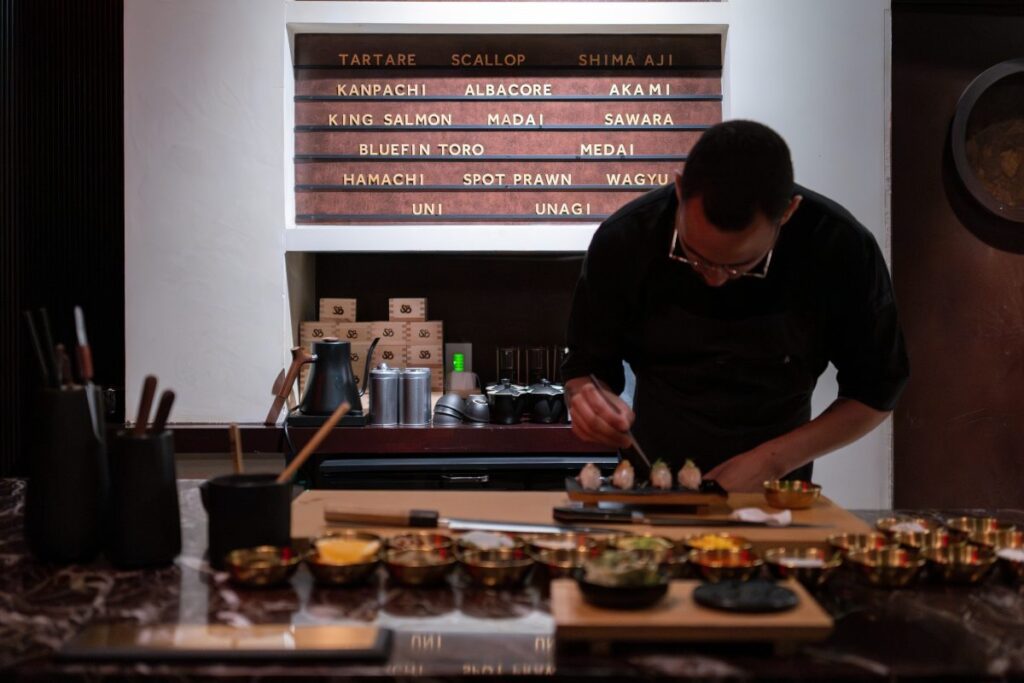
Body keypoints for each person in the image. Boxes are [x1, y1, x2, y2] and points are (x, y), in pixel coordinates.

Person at [561, 120, 909, 491]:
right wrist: (588, 402)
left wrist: (773, 461)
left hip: (775, 491)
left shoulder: (838, 247)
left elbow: (876, 391)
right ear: (679, 190)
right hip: (654, 484)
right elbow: (587, 368)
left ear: (787, 213)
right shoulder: (626, 240)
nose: (714, 278)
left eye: (740, 266)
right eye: (693, 257)